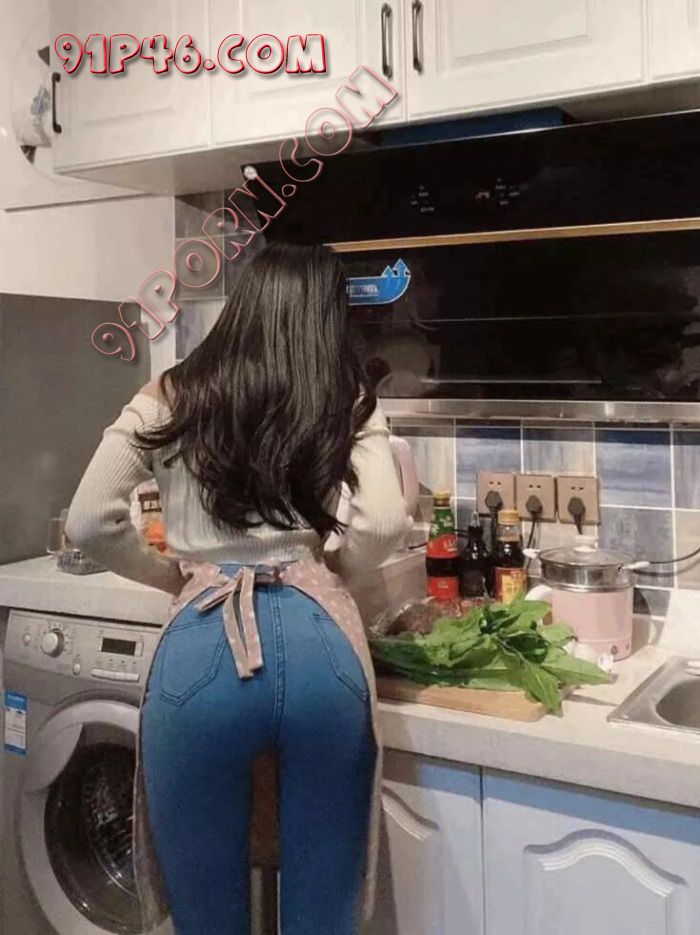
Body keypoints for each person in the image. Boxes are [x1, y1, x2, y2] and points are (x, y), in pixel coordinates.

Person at [65, 242, 410, 935]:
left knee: (206, 917)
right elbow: (382, 523)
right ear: (326, 317)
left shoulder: (170, 392)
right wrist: (328, 574)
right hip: (321, 654)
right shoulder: (345, 397)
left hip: (201, 648)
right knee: (323, 913)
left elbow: (89, 519)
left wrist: (172, 574)